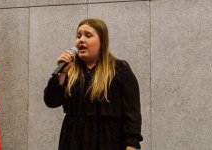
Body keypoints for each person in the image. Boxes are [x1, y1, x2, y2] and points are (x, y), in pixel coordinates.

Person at [44, 18, 143, 150]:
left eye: (88, 35)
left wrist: (132, 145)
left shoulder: (119, 69)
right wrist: (62, 74)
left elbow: (132, 113)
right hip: (73, 141)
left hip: (107, 142)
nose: (81, 40)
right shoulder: (70, 71)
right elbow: (51, 101)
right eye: (78, 36)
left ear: (102, 41)